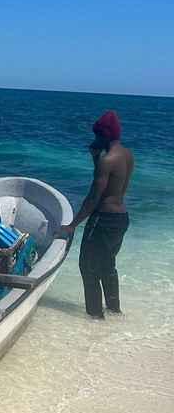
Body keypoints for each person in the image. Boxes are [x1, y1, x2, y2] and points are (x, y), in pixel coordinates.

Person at [53, 111, 134, 319]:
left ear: (105, 136)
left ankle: (96, 317)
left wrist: (72, 225)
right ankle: (115, 310)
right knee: (108, 265)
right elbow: (110, 186)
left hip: (103, 218)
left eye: (98, 135)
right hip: (121, 218)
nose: (96, 138)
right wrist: (96, 158)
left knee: (88, 267)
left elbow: (93, 198)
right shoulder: (126, 155)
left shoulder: (107, 161)